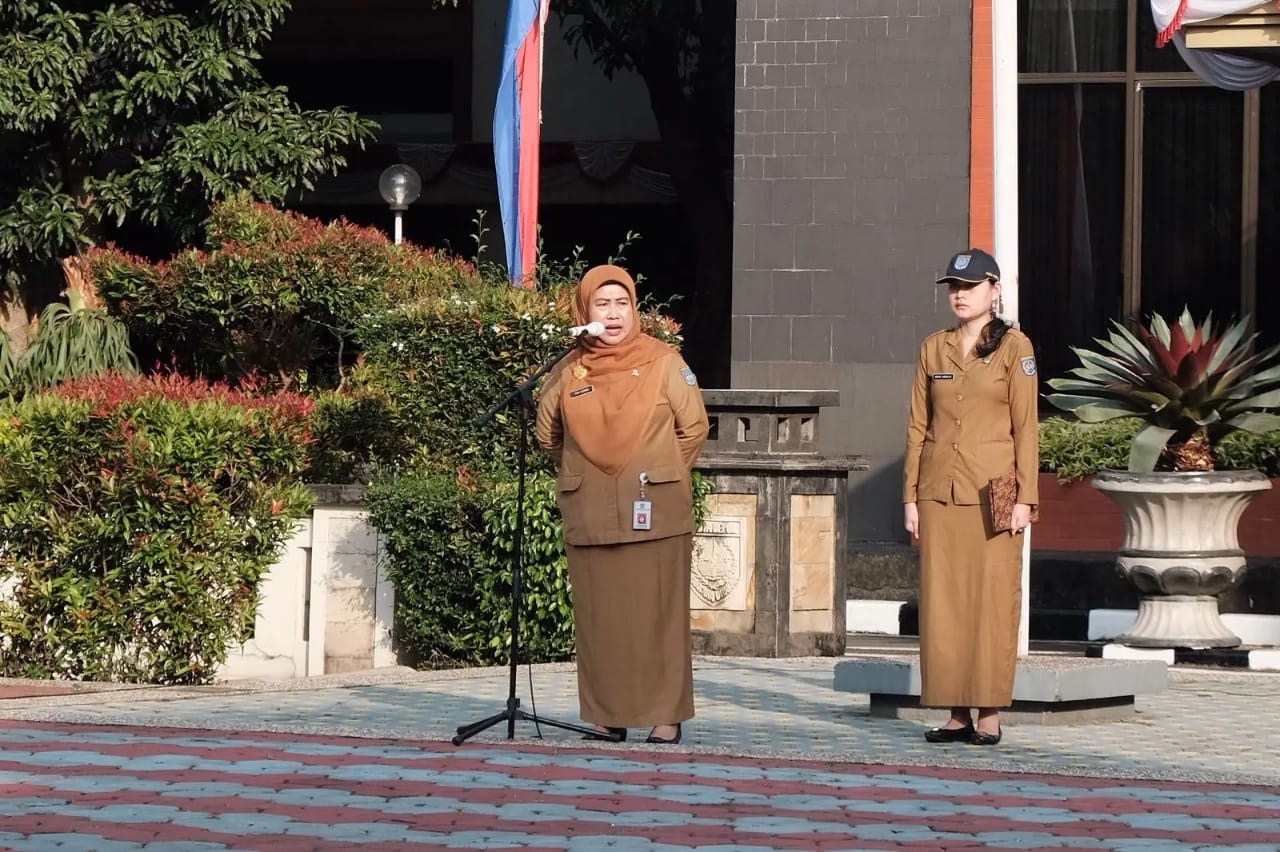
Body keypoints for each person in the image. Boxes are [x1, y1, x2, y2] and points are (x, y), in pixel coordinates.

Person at [535, 264, 709, 745]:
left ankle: (665, 718)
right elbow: (548, 433)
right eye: (602, 305)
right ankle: (608, 715)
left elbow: (694, 429)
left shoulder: (664, 361)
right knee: (601, 619)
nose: (613, 316)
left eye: (622, 304)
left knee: (658, 618)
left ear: (634, 309)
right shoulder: (569, 368)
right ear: (584, 312)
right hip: (591, 511)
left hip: (654, 508)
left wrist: (656, 468)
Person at [902, 248, 1039, 747]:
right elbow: (918, 427)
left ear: (995, 290)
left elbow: (1026, 428)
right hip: (939, 492)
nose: (960, 294)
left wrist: (1027, 497)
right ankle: (955, 711)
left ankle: (989, 714)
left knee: (991, 602)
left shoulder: (1015, 347)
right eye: (954, 287)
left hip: (996, 494)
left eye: (971, 286)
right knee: (945, 604)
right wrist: (910, 498)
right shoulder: (933, 348)